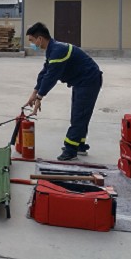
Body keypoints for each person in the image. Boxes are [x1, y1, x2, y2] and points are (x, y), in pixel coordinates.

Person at [24, 22, 103, 161]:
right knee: (79, 113)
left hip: (89, 81)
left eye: (31, 40)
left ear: (40, 39)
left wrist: (40, 97)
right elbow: (45, 72)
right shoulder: (52, 49)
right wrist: (34, 93)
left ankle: (71, 150)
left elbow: (51, 77)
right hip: (81, 81)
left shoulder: (58, 51)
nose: (31, 44)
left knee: (79, 114)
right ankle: (79, 144)